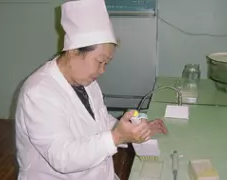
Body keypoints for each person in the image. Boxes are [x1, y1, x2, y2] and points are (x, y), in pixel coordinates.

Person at [15, 0, 167, 179]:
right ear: (73, 51)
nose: (103, 70)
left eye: (106, 63)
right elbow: (62, 157)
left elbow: (98, 122)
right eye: (100, 61)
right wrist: (117, 137)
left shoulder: (87, 82)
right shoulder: (39, 93)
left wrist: (133, 129)